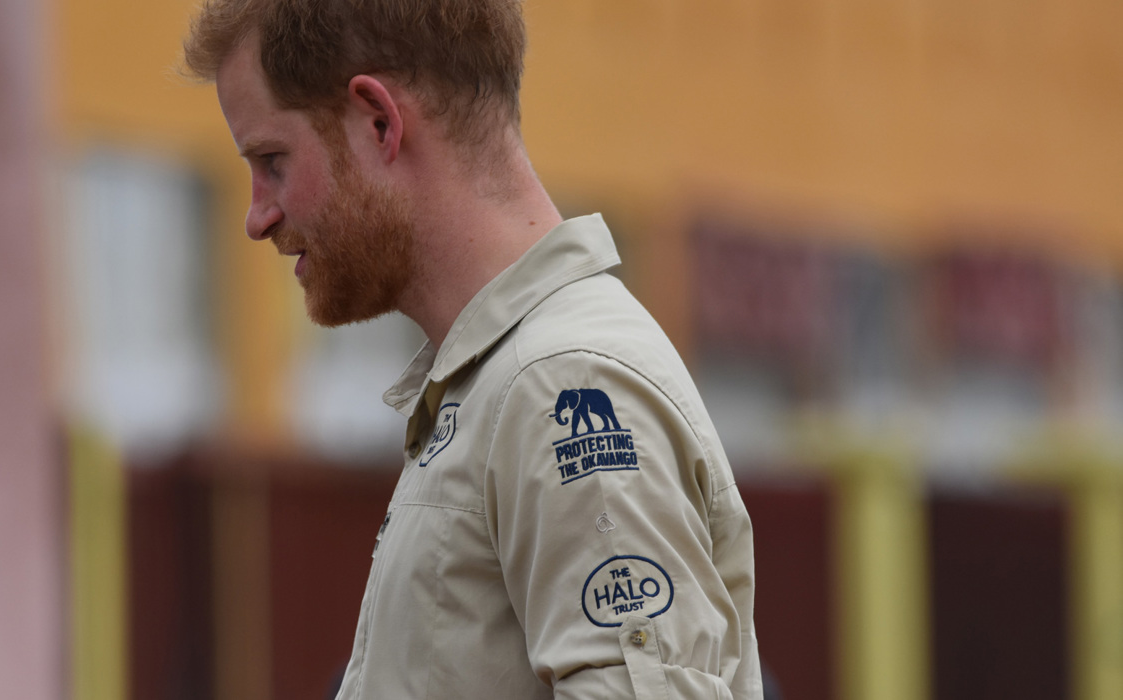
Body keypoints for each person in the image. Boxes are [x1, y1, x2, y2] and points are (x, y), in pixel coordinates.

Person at [184, 1, 761, 697]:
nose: (258, 215)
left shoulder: (560, 385)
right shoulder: (502, 381)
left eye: (273, 160)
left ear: (378, 122)